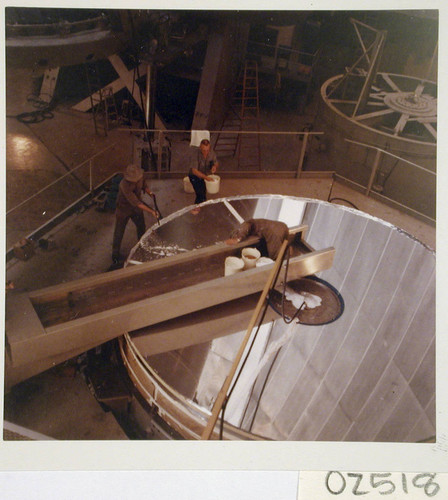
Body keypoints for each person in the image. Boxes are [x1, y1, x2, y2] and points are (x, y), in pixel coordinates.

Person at [112, 164, 159, 264]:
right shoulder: (124, 185)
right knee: (119, 232)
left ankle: (142, 246)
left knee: (141, 226)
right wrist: (151, 211)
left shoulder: (140, 177)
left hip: (136, 209)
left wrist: (150, 192)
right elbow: (137, 203)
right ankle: (115, 255)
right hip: (123, 209)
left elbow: (144, 185)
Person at [188, 139, 218, 214]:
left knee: (203, 193)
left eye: (207, 150)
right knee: (200, 192)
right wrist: (206, 178)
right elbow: (194, 171)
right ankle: (195, 208)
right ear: (200, 148)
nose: (206, 152)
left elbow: (216, 162)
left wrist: (214, 166)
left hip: (205, 175)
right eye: (204, 150)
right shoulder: (195, 154)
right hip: (194, 176)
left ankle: (201, 204)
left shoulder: (212, 153)